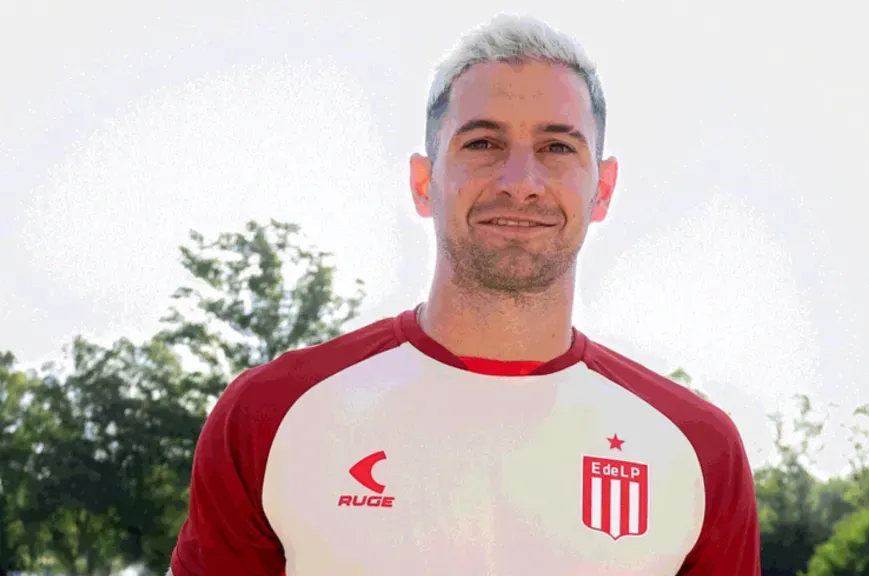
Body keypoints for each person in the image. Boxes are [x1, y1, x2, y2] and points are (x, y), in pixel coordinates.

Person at [168, 13, 760, 576]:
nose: (521, 183)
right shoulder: (272, 416)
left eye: (558, 148)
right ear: (423, 182)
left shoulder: (696, 449)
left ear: (602, 189)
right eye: (482, 144)